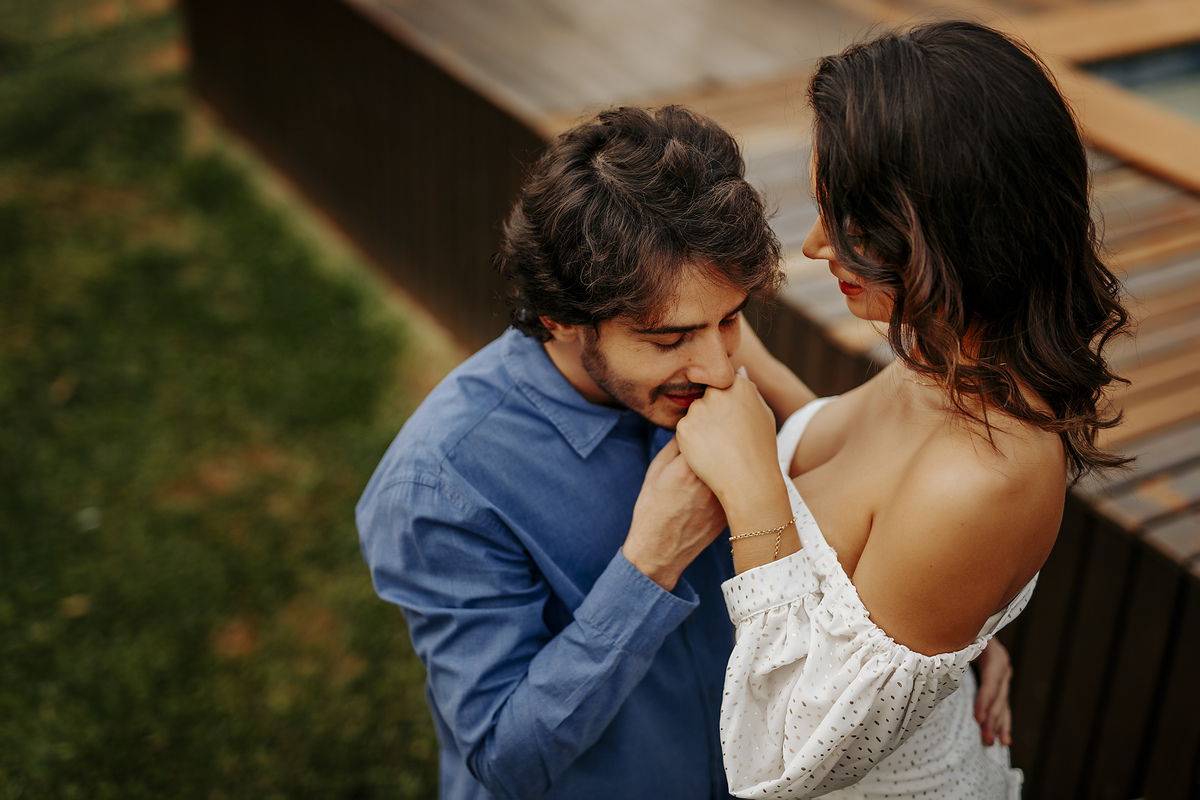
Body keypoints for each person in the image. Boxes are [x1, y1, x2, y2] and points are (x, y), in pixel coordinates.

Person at [674, 21, 1130, 799]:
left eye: (848, 224)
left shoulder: (987, 479)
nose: (816, 246)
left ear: (950, 228)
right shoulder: (945, 354)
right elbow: (866, 491)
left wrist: (752, 487)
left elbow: (780, 759)